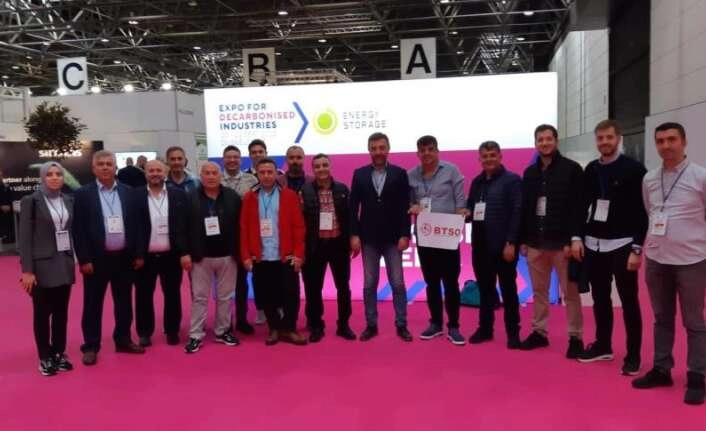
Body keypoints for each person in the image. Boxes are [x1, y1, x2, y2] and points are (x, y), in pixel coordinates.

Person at [632, 122, 706, 406]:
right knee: (662, 318)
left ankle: (697, 375)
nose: (666, 145)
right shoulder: (649, 179)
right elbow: (651, 212)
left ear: (684, 142)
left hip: (692, 260)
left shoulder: (700, 176)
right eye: (660, 141)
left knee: (694, 321)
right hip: (657, 259)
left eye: (671, 139)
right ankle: (662, 369)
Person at [571, 120, 648, 376]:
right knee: (600, 298)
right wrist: (577, 237)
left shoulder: (635, 169)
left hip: (623, 243)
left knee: (628, 300)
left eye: (609, 137)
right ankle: (603, 345)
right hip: (594, 243)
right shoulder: (591, 169)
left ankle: (633, 355)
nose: (604, 142)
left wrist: (637, 247)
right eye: (600, 138)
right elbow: (581, 204)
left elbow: (643, 211)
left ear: (618, 138)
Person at [73, 150, 146, 366]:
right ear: (93, 168)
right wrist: (84, 259)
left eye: (109, 164)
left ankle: (123, 339)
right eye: (101, 164)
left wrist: (139, 253)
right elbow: (78, 229)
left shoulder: (129, 192)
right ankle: (91, 346)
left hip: (125, 257)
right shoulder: (83, 194)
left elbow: (139, 225)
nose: (105, 167)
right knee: (92, 304)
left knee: (124, 302)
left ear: (116, 168)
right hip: (96, 259)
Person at [519, 124, 585, 358]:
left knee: (570, 293)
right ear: (535, 143)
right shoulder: (530, 173)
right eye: (540, 140)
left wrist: (574, 238)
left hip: (563, 244)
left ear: (556, 141)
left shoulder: (572, 169)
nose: (544, 143)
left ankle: (575, 337)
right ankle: (539, 332)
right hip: (536, 242)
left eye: (548, 139)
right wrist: (524, 240)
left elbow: (578, 207)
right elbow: (526, 208)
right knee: (539, 292)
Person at [350, 132, 412, 342]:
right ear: (369, 150)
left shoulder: (400, 174)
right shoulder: (359, 174)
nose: (378, 152)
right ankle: (371, 325)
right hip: (368, 239)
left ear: (388, 149)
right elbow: (353, 208)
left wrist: (405, 234)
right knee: (369, 285)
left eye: (381, 147)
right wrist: (354, 234)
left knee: (398, 284)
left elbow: (405, 206)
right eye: (374, 148)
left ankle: (401, 324)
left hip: (394, 239)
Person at [241, 158, 307, 346]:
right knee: (266, 294)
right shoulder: (249, 197)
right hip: (261, 256)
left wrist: (299, 253)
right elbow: (244, 228)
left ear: (276, 173)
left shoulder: (289, 196)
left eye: (270, 172)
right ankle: (274, 328)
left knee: (291, 293)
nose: (266, 176)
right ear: (257, 174)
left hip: (286, 255)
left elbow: (299, 227)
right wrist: (245, 256)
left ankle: (290, 328)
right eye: (262, 172)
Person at [407, 135, 466, 345]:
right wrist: (412, 206)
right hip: (425, 234)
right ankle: (435, 323)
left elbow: (460, 202)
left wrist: (461, 212)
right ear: (418, 153)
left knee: (451, 282)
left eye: (430, 149)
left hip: (447, 234)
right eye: (422, 150)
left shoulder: (451, 170)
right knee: (431, 282)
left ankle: (454, 326)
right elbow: (408, 203)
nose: (427, 153)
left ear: (437, 151)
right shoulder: (411, 175)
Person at [18, 161, 75, 376]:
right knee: (42, 314)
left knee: (61, 313)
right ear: (42, 177)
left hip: (64, 263)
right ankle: (44, 356)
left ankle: (58, 352)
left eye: (58, 174)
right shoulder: (31, 201)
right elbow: (24, 238)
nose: (54, 177)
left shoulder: (68, 200)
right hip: (41, 266)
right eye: (49, 174)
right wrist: (27, 271)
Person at [466, 141, 523, 349]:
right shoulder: (477, 182)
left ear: (500, 156)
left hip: (504, 246)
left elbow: (518, 212)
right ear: (479, 159)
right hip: (480, 246)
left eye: (492, 155)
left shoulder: (512, 180)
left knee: (509, 291)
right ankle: (485, 329)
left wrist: (512, 242)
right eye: (485, 156)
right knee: (485, 290)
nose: (488, 159)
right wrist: (463, 213)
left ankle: (513, 333)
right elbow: (471, 210)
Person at [183, 162, 241, 353]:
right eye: (206, 173)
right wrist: (185, 252)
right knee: (200, 297)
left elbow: (240, 226)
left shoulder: (232, 197)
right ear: (200, 176)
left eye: (214, 173)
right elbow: (182, 227)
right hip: (200, 256)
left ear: (220, 175)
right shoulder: (190, 197)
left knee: (225, 297)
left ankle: (222, 331)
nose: (210, 176)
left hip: (227, 255)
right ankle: (195, 335)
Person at [134, 160, 191, 347]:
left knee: (173, 294)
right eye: (151, 170)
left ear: (165, 172)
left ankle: (172, 330)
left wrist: (184, 252)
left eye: (159, 170)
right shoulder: (136, 195)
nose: (155, 173)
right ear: (145, 173)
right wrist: (137, 254)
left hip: (171, 255)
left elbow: (184, 225)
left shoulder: (178, 195)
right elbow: (133, 227)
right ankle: (144, 332)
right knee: (143, 295)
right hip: (145, 256)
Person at [301, 154, 356, 342]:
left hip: (338, 245)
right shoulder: (305, 191)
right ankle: (317, 325)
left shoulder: (342, 189)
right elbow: (301, 221)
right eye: (317, 166)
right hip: (314, 246)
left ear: (330, 167)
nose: (321, 169)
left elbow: (350, 217)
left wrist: (352, 238)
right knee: (313, 289)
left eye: (325, 165)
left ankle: (343, 325)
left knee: (343, 287)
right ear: (313, 169)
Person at [244, 138, 282, 325]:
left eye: (261, 151)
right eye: (254, 152)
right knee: (259, 280)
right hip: (256, 240)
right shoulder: (247, 181)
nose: (266, 175)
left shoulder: (280, 179)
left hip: (277, 240)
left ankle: (279, 308)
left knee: (278, 279)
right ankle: (261, 310)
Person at [221, 145, 258, 334]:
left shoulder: (251, 180)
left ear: (241, 159)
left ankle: (242, 319)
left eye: (235, 157)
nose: (232, 160)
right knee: (224, 285)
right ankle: (225, 322)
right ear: (223, 159)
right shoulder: (215, 179)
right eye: (229, 157)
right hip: (220, 238)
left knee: (242, 282)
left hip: (244, 237)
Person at [0, 167, 14, 244]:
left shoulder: (6, 186)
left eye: (1, 175)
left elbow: (11, 198)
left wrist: (9, 206)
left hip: (8, 212)